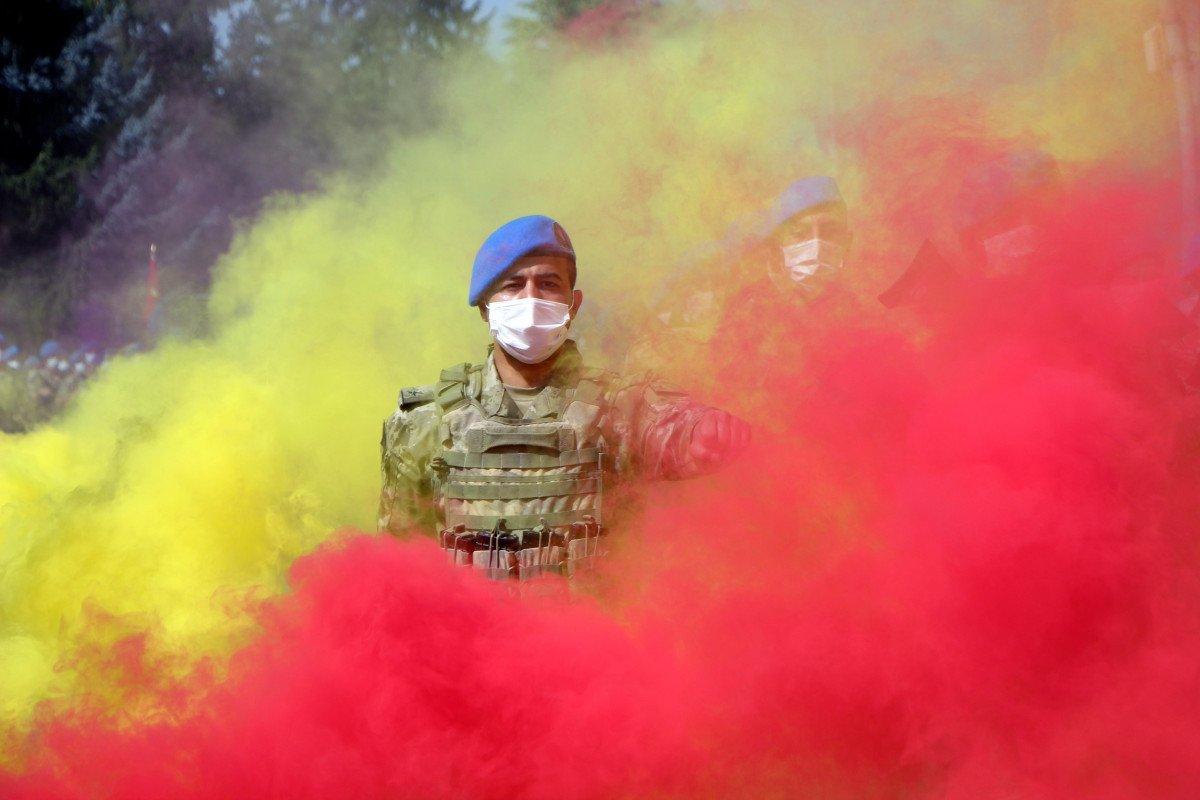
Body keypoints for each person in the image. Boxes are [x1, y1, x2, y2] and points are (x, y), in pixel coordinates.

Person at [379, 215, 750, 580]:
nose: (531, 298)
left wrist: (708, 432)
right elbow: (399, 565)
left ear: (573, 304)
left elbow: (677, 428)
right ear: (484, 306)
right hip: (470, 639)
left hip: (590, 637)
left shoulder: (620, 408)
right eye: (513, 285)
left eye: (548, 284)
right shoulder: (424, 422)